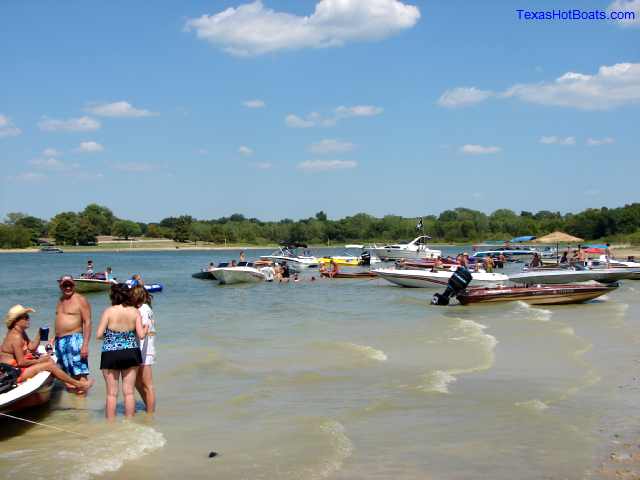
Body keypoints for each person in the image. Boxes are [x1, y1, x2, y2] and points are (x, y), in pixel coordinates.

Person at [1, 305, 93, 392]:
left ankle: (67, 383)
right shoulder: (15, 337)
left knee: (48, 359)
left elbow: (31, 348)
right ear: (16, 321)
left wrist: (39, 335)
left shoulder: (21, 333)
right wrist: (39, 361)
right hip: (14, 373)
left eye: (28, 316)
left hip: (17, 368)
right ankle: (79, 384)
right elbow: (21, 362)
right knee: (49, 365)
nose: (28, 319)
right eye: (25, 317)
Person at [96, 284, 146, 420]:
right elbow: (141, 335)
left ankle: (110, 424)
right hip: (131, 352)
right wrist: (145, 328)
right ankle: (130, 422)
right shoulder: (135, 312)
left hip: (111, 353)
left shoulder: (109, 311)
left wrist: (112, 337)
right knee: (129, 392)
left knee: (111, 394)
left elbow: (99, 334)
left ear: (113, 296)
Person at [54, 275, 92, 393]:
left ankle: (82, 408)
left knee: (80, 374)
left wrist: (85, 345)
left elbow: (87, 322)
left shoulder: (80, 300)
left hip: (75, 339)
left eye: (70, 285)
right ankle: (74, 409)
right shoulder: (61, 300)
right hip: (60, 341)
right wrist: (54, 337)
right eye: (65, 285)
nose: (68, 287)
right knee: (67, 375)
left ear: (74, 285)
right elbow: (59, 319)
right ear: (60, 286)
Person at [130, 285, 156, 414]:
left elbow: (143, 331)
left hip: (144, 350)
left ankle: (150, 413)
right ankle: (148, 406)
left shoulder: (143, 310)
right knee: (137, 382)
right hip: (146, 348)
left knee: (147, 384)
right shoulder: (146, 308)